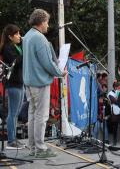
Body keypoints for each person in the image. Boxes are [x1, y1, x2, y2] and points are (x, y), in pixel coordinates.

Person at [23, 9, 67, 158]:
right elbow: (47, 63)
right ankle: (40, 148)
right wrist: (60, 73)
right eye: (47, 22)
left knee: (33, 116)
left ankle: (32, 148)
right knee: (41, 117)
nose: (48, 25)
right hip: (39, 83)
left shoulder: (28, 36)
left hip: (29, 82)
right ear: (41, 22)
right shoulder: (39, 38)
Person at [0, 24, 25, 149]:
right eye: (17, 34)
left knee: (17, 112)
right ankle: (11, 140)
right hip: (13, 83)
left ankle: (14, 138)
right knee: (13, 112)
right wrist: (25, 49)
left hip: (20, 82)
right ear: (10, 36)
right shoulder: (7, 48)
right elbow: (15, 62)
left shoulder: (16, 46)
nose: (19, 36)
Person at [108, 81, 120, 146]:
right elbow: (114, 101)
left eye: (119, 86)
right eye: (118, 86)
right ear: (115, 87)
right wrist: (119, 101)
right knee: (115, 127)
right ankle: (114, 140)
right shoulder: (110, 93)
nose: (119, 87)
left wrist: (118, 100)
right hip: (114, 111)